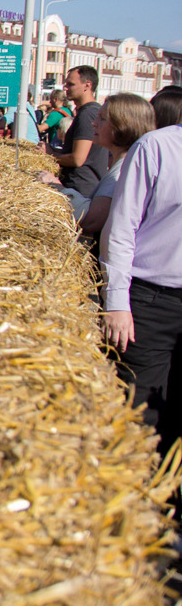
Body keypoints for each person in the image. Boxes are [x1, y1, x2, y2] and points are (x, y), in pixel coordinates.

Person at [100, 121, 182, 453]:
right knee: (139, 412)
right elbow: (121, 227)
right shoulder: (156, 147)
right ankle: (141, 496)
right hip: (152, 301)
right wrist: (117, 301)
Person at [41, 94, 155, 243]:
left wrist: (57, 187)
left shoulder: (124, 169)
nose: (94, 124)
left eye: (102, 119)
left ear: (123, 125)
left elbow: (92, 220)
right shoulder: (125, 163)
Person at [40, 65, 108, 199]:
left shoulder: (87, 114)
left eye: (70, 84)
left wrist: (50, 154)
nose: (65, 88)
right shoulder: (89, 112)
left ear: (87, 85)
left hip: (80, 190)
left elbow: (77, 159)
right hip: (82, 187)